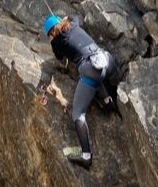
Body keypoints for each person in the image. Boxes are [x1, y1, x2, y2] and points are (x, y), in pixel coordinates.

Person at [45, 14, 121, 169]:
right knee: (97, 77)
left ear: (51, 33)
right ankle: (108, 101)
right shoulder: (74, 24)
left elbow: (60, 58)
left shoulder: (56, 42)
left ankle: (86, 156)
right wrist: (65, 18)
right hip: (107, 59)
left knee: (77, 113)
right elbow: (73, 16)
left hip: (91, 68)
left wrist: (53, 40)